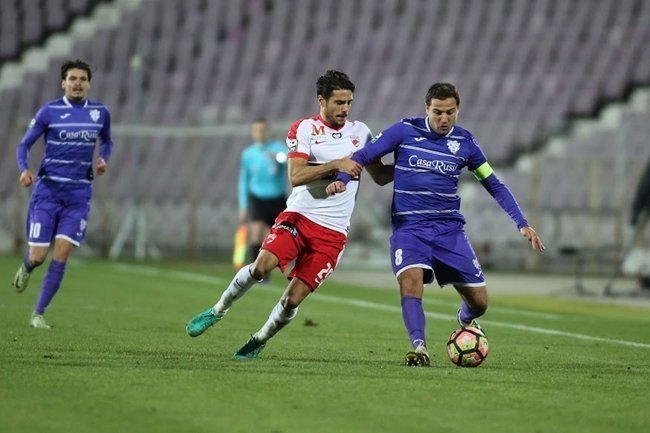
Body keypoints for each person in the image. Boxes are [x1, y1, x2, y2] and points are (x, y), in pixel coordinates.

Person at [326, 82, 545, 366]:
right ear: (426, 108)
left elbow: (494, 184)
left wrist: (522, 223)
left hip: (448, 231)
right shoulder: (404, 131)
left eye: (450, 112)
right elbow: (363, 155)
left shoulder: (465, 143)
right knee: (410, 282)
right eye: (438, 112)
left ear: (458, 110)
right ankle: (420, 348)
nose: (444, 118)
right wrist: (342, 179)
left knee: (480, 302)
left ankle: (464, 319)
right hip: (409, 229)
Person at [186, 70, 393, 359]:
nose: (345, 109)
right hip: (300, 216)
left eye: (349, 103)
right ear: (321, 100)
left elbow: (380, 176)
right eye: (339, 102)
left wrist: (412, 165)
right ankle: (218, 309)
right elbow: (296, 176)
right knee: (261, 267)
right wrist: (337, 164)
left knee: (291, 300)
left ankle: (259, 340)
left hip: (333, 233)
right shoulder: (304, 128)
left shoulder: (361, 132)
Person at [12, 59, 114, 328]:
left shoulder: (100, 113)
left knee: (62, 252)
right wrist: (24, 169)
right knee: (38, 256)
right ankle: (27, 266)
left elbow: (107, 140)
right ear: (63, 83)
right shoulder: (49, 111)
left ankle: (38, 313)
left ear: (89, 84)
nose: (77, 83)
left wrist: (103, 158)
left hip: (78, 196)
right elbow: (24, 145)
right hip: (48, 193)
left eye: (82, 79)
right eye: (72, 79)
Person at [239, 118, 288, 264]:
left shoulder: (278, 148)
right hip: (257, 198)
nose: (260, 133)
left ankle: (268, 266)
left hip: (277, 197)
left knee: (273, 237)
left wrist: (277, 158)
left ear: (268, 131)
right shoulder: (248, 154)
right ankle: (256, 269)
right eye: (257, 130)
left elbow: (288, 162)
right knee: (256, 233)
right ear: (252, 133)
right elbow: (244, 181)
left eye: (263, 130)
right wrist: (243, 206)